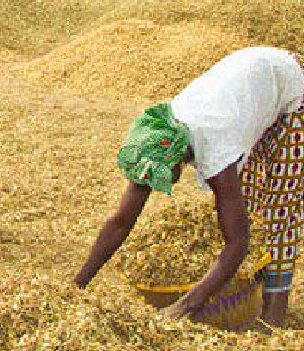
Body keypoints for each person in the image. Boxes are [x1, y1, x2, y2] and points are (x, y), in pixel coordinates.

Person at [74, 46, 304, 327]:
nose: (156, 184)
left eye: (160, 176)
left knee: (276, 213)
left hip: (291, 87)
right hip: (251, 88)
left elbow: (238, 242)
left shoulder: (216, 147)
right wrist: (76, 286)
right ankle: (249, 299)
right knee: (249, 203)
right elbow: (120, 222)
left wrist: (185, 306)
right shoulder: (163, 132)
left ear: (175, 158)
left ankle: (273, 317)